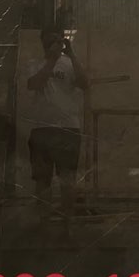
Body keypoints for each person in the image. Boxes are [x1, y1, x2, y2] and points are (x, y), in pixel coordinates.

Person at [26, 27, 89, 219]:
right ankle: (42, 222)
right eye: (49, 40)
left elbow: (84, 84)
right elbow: (34, 84)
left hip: (67, 128)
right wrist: (52, 60)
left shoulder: (70, 64)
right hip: (42, 127)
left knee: (67, 178)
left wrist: (72, 54)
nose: (52, 44)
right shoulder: (35, 64)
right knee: (42, 179)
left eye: (56, 40)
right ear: (43, 42)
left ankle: (67, 223)